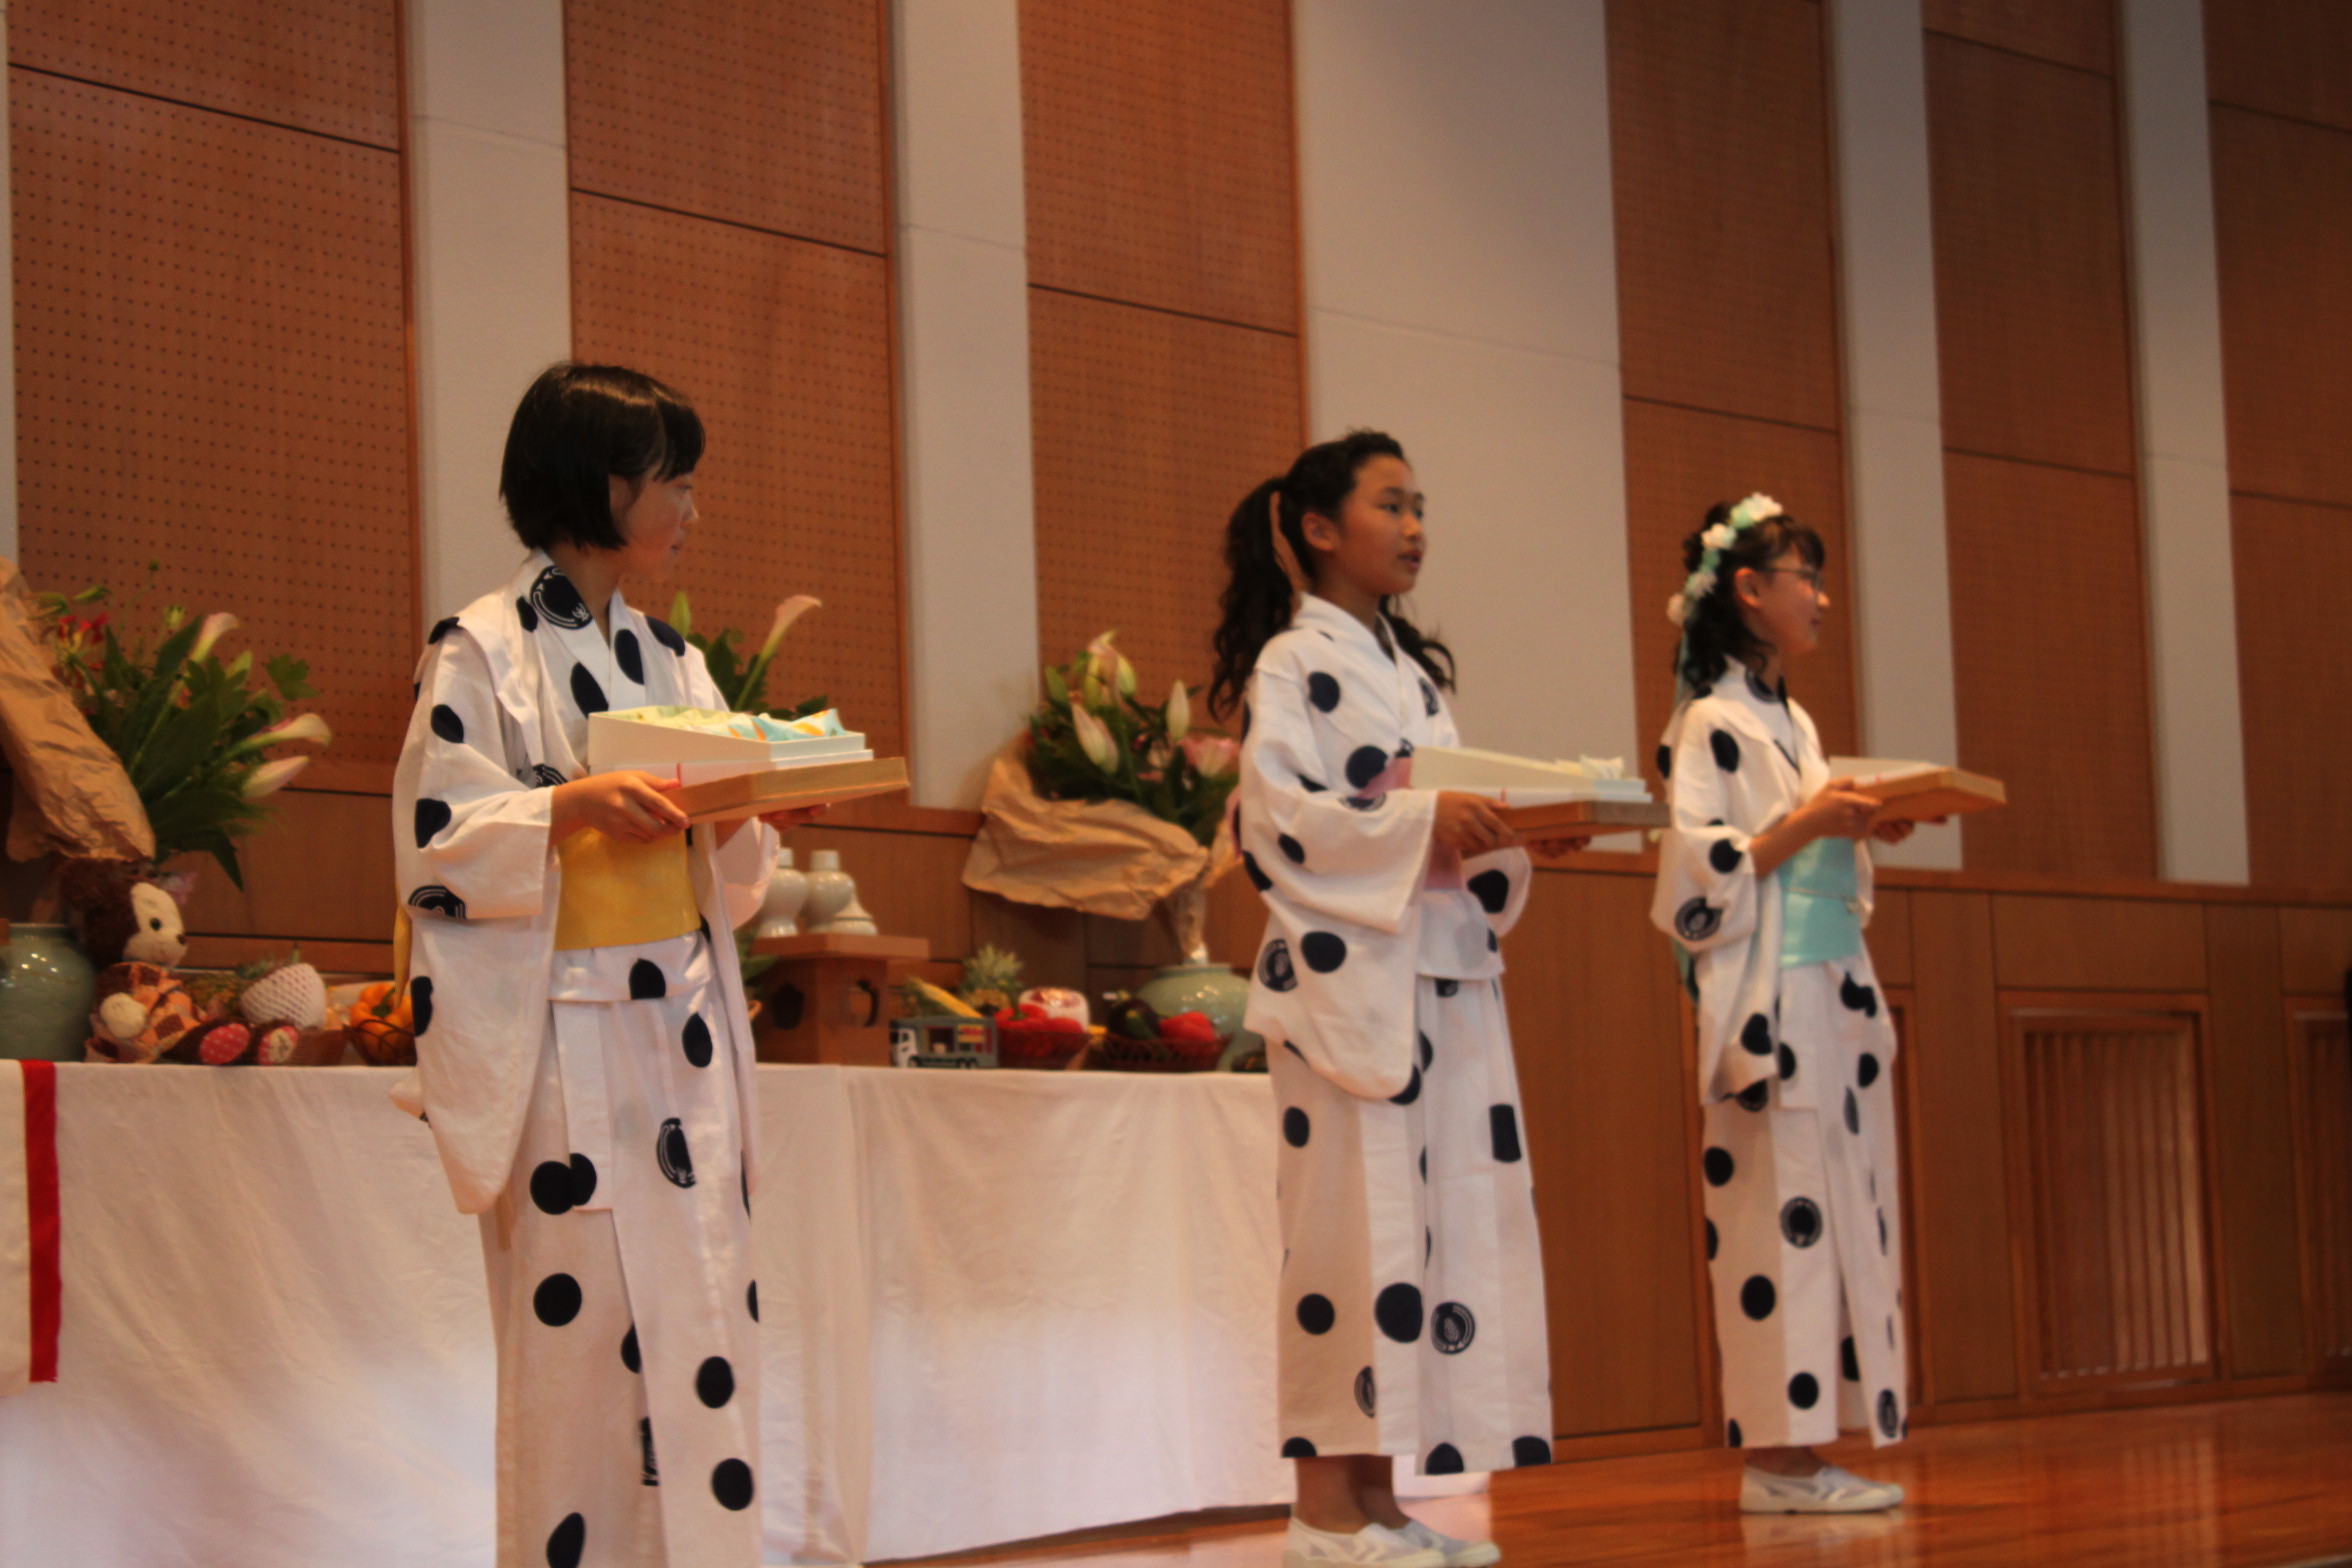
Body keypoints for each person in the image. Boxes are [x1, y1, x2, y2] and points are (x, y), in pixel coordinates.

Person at [391, 363, 820, 1568]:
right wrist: (570, 805)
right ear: (607, 483)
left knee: (701, 1318)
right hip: (565, 1035)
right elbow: (434, 844)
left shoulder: (672, 659)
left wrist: (743, 809)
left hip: (675, 1034)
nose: (690, 507)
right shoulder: (480, 646)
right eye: (673, 481)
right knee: (574, 1351)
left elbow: (732, 877)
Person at [1210, 430, 1581, 1568]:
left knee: (1421, 1242)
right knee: (1342, 1243)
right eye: (1391, 505)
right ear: (1321, 529)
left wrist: (1517, 830)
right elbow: (1276, 821)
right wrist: (1425, 824)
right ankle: (1321, 1509)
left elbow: (1448, 813)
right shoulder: (1289, 662)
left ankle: (1378, 1500)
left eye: (1422, 505)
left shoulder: (1414, 677)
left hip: (1438, 973)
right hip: (1343, 991)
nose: (1417, 525)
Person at [1648, 495, 1914, 1514]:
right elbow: (1694, 875)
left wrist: (1852, 829)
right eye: (1804, 575)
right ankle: (1777, 1455)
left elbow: (1795, 839)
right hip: (1768, 998)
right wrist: (1810, 825)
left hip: (1830, 987)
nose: (1821, 597)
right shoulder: (1706, 718)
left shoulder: (1790, 716)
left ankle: (1813, 1444)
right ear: (1749, 590)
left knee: (1842, 1204)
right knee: (1773, 1219)